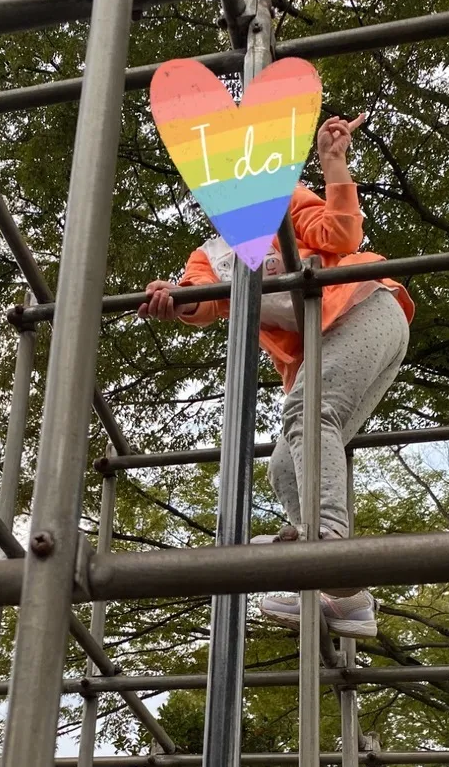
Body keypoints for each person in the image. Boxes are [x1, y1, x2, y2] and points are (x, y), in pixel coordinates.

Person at [138, 113, 414, 637]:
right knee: (285, 465)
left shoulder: (286, 203)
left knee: (308, 413)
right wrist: (173, 300)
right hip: (326, 346)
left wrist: (334, 166)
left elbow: (339, 234)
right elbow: (202, 302)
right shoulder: (212, 255)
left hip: (366, 307)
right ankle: (348, 598)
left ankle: (325, 543)